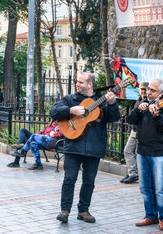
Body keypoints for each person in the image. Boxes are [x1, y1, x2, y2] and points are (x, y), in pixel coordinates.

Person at [51, 72, 120, 224]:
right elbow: (53, 111)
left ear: (90, 84)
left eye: (81, 82)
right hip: (73, 146)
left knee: (89, 181)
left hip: (94, 147)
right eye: (77, 81)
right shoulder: (70, 99)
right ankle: (65, 210)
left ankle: (83, 210)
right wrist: (71, 110)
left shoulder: (100, 101)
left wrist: (112, 103)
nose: (77, 84)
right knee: (69, 179)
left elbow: (114, 117)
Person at [126, 78, 163, 231]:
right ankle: (151, 215)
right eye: (148, 89)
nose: (149, 92)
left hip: (161, 152)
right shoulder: (142, 103)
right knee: (145, 187)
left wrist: (157, 116)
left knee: (160, 188)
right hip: (143, 151)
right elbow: (130, 120)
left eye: (153, 90)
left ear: (161, 92)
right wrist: (137, 110)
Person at [120, 81, 148, 184]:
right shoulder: (138, 100)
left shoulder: (148, 102)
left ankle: (135, 174)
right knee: (127, 151)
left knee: (138, 153)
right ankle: (132, 173)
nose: (143, 91)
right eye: (142, 89)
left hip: (141, 132)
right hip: (134, 130)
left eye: (145, 89)